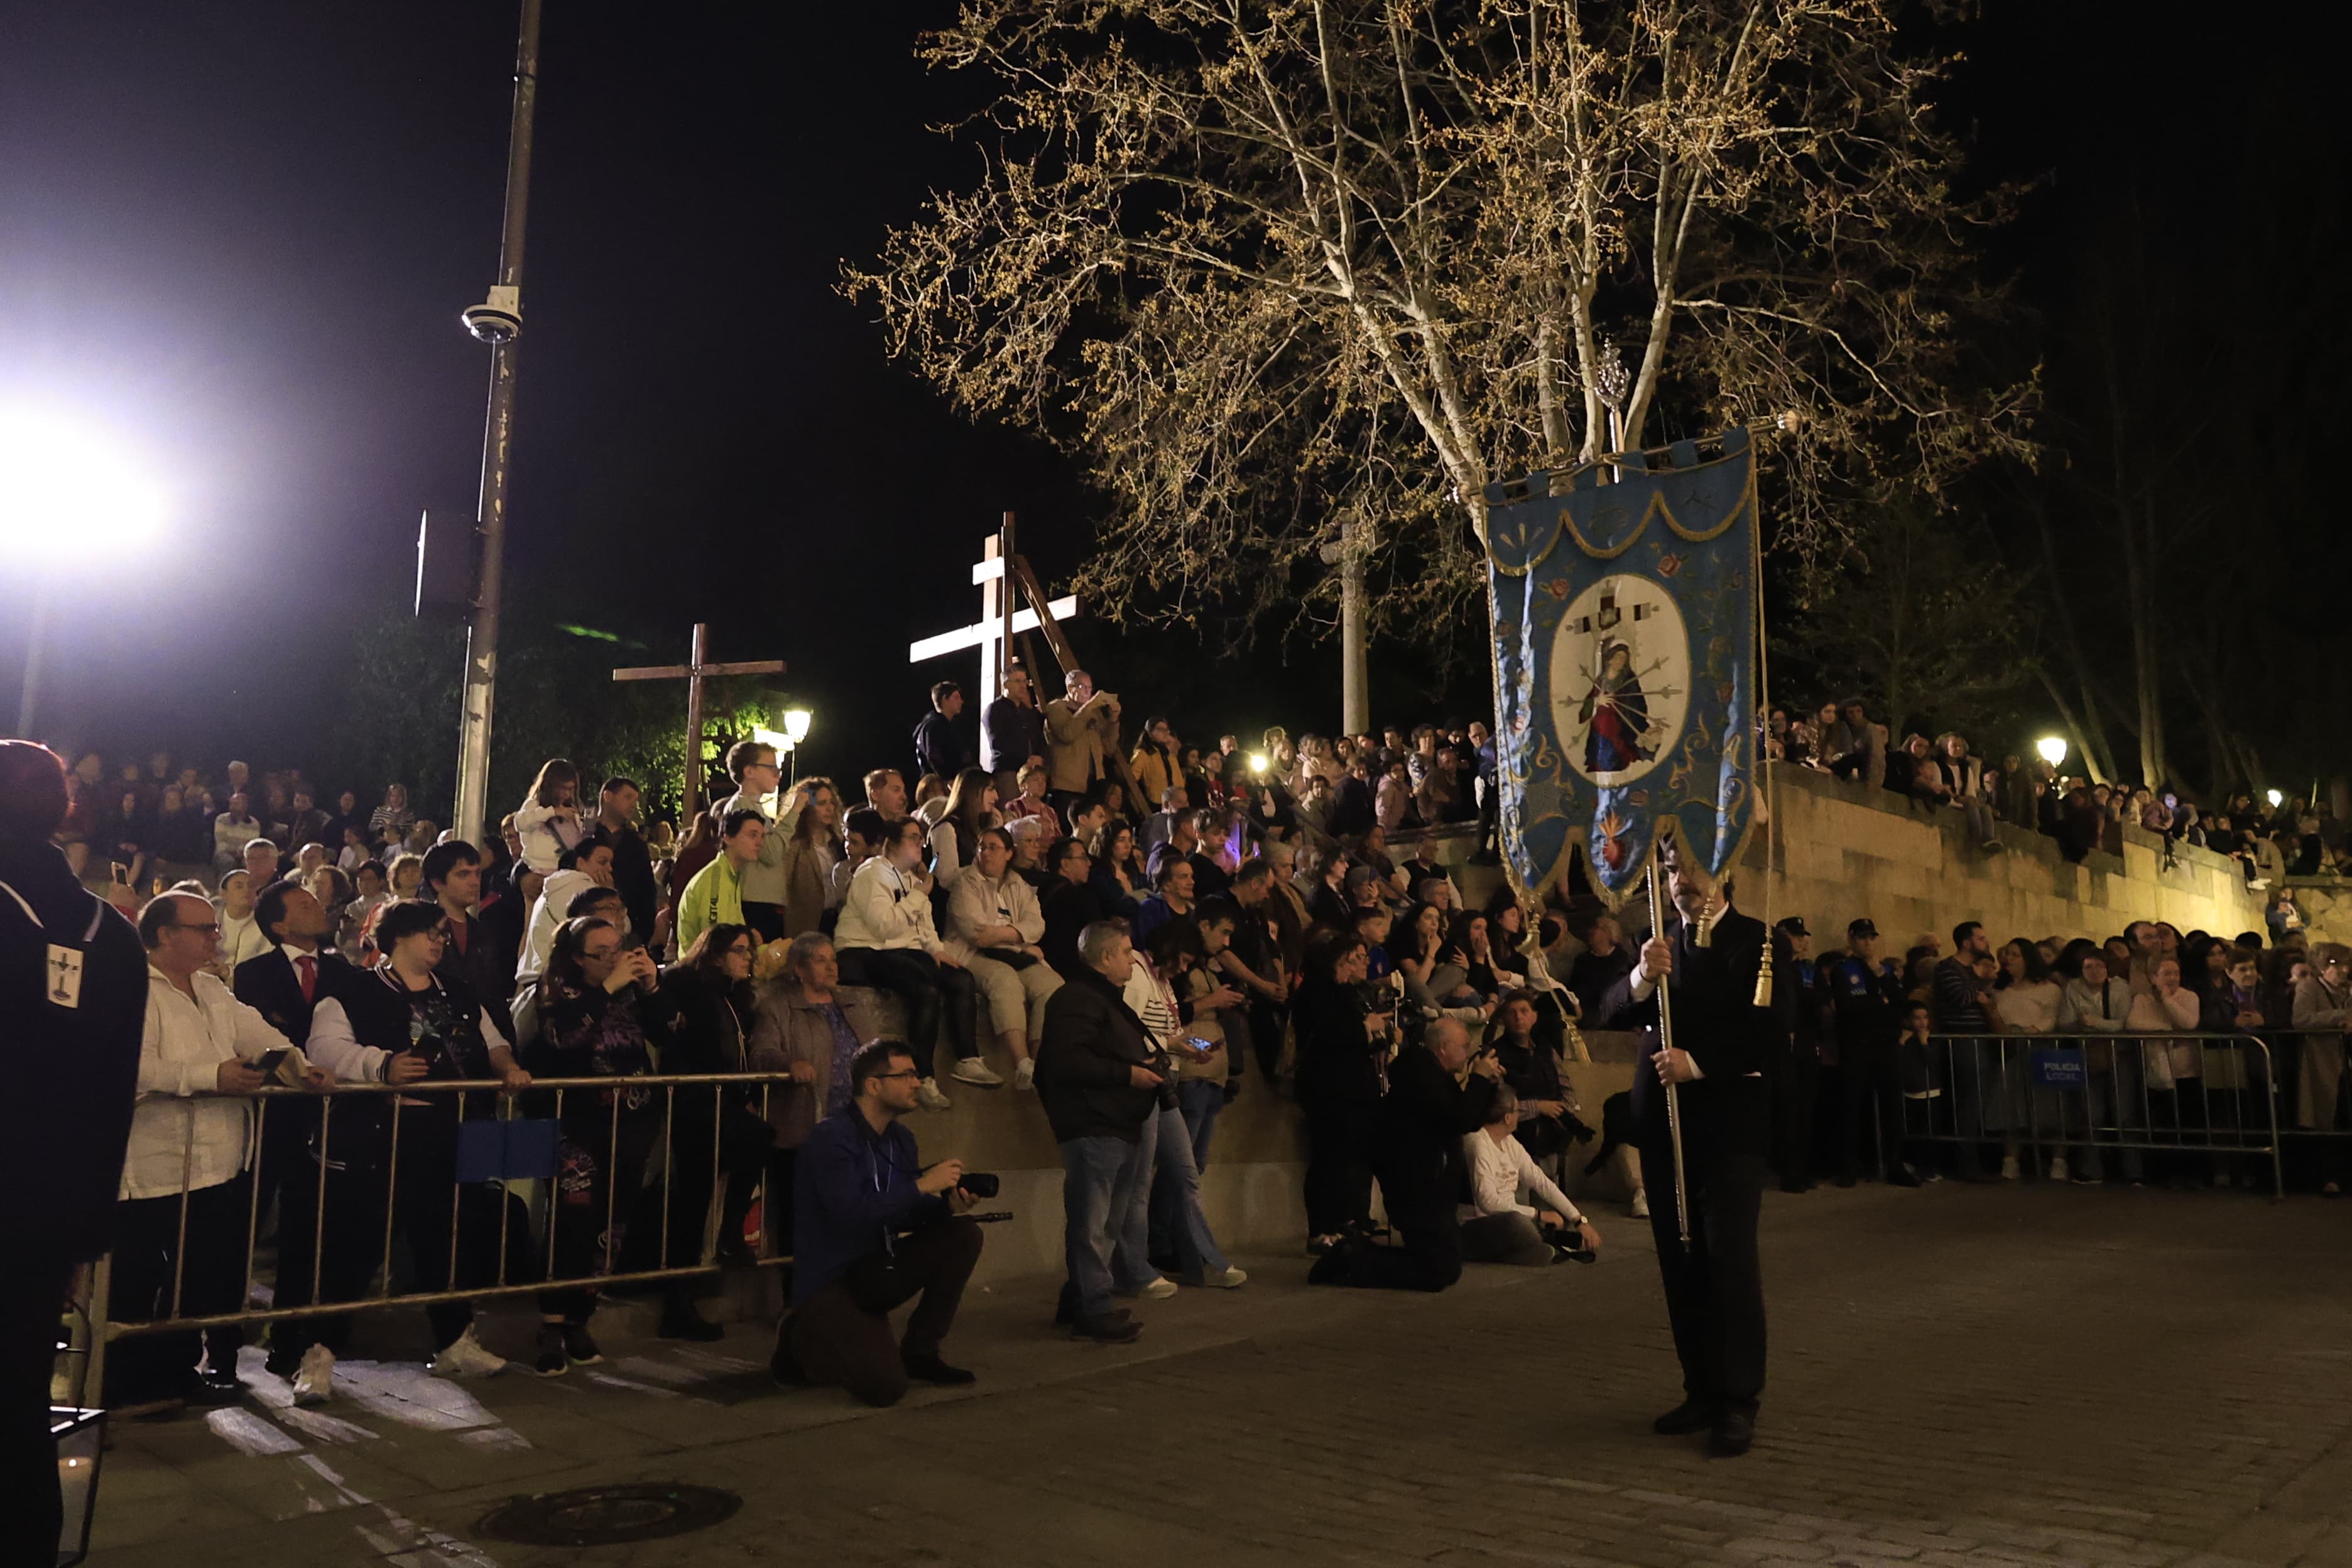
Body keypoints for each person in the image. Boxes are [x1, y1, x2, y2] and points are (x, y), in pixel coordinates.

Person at [289, 900, 534, 1401]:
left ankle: (454, 1342)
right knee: (351, 1249)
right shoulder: (354, 992)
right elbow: (325, 1048)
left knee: (446, 1242)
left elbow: (492, 1039)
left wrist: (506, 1066)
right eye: (430, 933)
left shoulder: (458, 993)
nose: (440, 941)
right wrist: (382, 1067)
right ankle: (318, 1352)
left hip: (447, 1133)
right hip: (377, 1138)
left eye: (442, 933)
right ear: (397, 937)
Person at [1, 743, 144, 1560]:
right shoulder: (114, 939)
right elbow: (111, 1096)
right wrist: (86, 1232)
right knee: (21, 1396)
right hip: (52, 1219)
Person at [110, 892, 334, 1408]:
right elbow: (133, 1067)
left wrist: (300, 1068)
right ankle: (124, 1379)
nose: (215, 936)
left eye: (214, 927)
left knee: (200, 1274)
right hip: (155, 1163)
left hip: (220, 1160)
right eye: (203, 928)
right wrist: (209, 1075)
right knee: (140, 1277)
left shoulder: (212, 989)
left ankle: (177, 1368)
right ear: (165, 935)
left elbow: (259, 1035)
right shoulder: (133, 991)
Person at [1593, 852, 1772, 1457]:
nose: (1682, 883)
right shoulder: (1659, 942)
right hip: (1666, 1133)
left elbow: (1770, 1034)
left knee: (1729, 1262)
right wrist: (1642, 976)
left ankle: (1738, 1399)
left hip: (1726, 1129)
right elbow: (1613, 1009)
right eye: (1672, 872)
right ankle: (1700, 1388)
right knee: (1680, 1262)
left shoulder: (1756, 941)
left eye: (1694, 870)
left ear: (1724, 874)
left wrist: (1699, 1065)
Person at [774, 1040, 984, 1404]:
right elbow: (850, 1215)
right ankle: (799, 1338)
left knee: (963, 1234)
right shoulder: (831, 1138)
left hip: (876, 1270)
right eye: (906, 1075)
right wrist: (920, 1185)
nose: (917, 1083)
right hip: (834, 1279)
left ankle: (921, 1350)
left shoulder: (901, 1139)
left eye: (916, 1075)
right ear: (873, 1085)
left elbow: (900, 1213)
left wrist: (947, 1206)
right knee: (885, 1389)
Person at [527, 914, 674, 1373]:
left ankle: (580, 1317)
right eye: (601, 952)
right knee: (573, 1217)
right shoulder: (558, 992)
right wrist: (607, 988)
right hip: (579, 1121)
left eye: (619, 948)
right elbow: (563, 1037)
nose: (614, 958)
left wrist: (651, 989)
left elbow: (669, 1033)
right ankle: (552, 1320)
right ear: (577, 958)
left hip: (632, 1120)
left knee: (613, 1221)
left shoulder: (632, 989)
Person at [1035, 921, 1162, 1341]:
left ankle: (1080, 1299)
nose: (1133, 960)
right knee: (1092, 1220)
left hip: (1117, 1122)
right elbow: (1066, 1062)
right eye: (1126, 952)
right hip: (1094, 1122)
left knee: (1106, 1220)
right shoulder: (1077, 1000)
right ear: (1105, 957)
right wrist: (1128, 1074)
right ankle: (1094, 1306)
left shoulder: (1105, 1000)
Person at [1309, 1015, 1499, 1290]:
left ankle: (1356, 1256)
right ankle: (1351, 1260)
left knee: (1445, 1266)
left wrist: (1488, 1085)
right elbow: (1458, 1118)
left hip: (1432, 1185)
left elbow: (1469, 1120)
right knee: (1437, 1271)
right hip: (1417, 1185)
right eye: (1464, 1045)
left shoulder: (1435, 1075)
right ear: (1444, 1047)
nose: (1467, 1052)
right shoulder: (1421, 1074)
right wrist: (1479, 1079)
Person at [651, 925, 776, 1336]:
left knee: (757, 1139)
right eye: (739, 951)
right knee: (691, 1203)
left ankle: (727, 1236)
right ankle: (679, 1302)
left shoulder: (736, 997)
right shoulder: (690, 987)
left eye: (750, 952)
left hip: (724, 1103)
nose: (747, 959)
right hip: (695, 1105)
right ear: (717, 953)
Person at [834, 814, 991, 1101]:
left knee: (961, 979)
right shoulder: (873, 873)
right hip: (866, 949)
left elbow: (924, 925)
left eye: (921, 838)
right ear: (892, 843)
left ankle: (968, 1058)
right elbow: (883, 927)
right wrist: (918, 895)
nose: (921, 843)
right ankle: (923, 1075)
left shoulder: (909, 879)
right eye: (913, 837)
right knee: (924, 989)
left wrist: (937, 951)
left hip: (901, 949)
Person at [749, 932, 882, 1258]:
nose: (831, 967)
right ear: (799, 968)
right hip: (804, 1129)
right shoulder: (780, 1008)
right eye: (820, 960)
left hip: (856, 1130)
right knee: (801, 1220)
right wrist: (789, 1063)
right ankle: (802, 1298)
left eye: (833, 959)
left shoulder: (851, 1005)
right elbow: (763, 1052)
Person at [1292, 928, 1394, 1253]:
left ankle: (1343, 1223)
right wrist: (1368, 1028)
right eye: (1356, 959)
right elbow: (1330, 1034)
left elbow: (1366, 1034)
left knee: (1346, 1160)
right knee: (1327, 1159)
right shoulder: (1317, 990)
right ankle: (1321, 1230)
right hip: (1328, 1087)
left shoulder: (1349, 992)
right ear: (1339, 961)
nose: (1361, 965)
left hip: (1354, 1086)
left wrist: (1378, 1032)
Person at [944, 827, 1062, 1089]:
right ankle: (1021, 1062)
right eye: (981, 847)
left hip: (1014, 954)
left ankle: (1037, 1061)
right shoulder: (966, 881)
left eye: (993, 847)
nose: (985, 853)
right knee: (1004, 981)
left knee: (1052, 987)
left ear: (1009, 853)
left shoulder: (1018, 884)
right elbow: (975, 933)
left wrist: (1005, 934)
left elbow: (1036, 924)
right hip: (971, 954)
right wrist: (1020, 937)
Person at [1462, 1087, 1604, 1265]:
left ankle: (1535, 1247)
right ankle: (1539, 1246)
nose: (1518, 1116)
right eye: (1516, 1111)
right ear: (1507, 1117)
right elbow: (1488, 1201)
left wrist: (1579, 1220)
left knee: (1560, 1215)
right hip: (1482, 1223)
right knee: (1518, 1223)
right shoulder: (1478, 1143)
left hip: (1511, 1218)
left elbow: (1541, 1182)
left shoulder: (1509, 1142)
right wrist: (1538, 1215)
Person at [1827, 919, 1915, 1188]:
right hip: (1857, 1045)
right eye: (1863, 938)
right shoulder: (1844, 970)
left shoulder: (1885, 970)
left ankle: (1895, 1163)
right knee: (1853, 1105)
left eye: (1871, 938)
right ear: (1852, 939)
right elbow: (1848, 1008)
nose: (1868, 943)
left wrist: (1880, 983)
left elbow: (1900, 1005)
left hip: (1885, 1045)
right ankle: (1849, 1165)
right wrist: (1880, 1004)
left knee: (1891, 1106)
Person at [677, 807, 766, 957]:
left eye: (763, 836)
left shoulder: (730, 874)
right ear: (727, 838)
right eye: (753, 835)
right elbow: (717, 942)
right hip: (701, 972)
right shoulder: (716, 878)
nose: (760, 843)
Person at [1043, 668, 1121, 822]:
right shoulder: (1057, 707)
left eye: (1090, 688)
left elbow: (1109, 747)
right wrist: (1089, 707)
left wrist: (1113, 720)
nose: (1088, 692)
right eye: (1083, 687)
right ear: (1070, 688)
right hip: (1068, 786)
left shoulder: (1093, 713)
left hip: (1095, 785)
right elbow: (1067, 735)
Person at [585, 776, 657, 943]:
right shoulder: (584, 837)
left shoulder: (636, 845)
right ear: (608, 796)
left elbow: (647, 892)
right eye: (628, 797)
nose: (633, 805)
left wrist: (641, 934)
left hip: (630, 931)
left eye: (636, 800)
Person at [983, 663, 1047, 775]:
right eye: (1018, 681)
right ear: (1005, 684)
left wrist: (1040, 758)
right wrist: (1026, 760)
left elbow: (1039, 738)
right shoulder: (995, 710)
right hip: (1008, 771)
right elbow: (998, 744)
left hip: (1031, 772)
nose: (1023, 686)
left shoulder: (1028, 712)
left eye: (1025, 681)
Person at [914, 679, 971, 781]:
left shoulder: (926, 724)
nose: (961, 701)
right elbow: (934, 756)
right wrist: (948, 779)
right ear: (945, 699)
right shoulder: (937, 726)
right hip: (938, 784)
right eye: (956, 697)